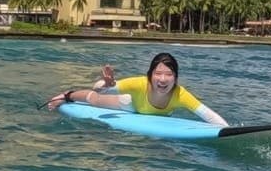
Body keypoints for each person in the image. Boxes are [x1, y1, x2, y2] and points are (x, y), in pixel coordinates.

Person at [44, 52, 230, 126]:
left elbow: (208, 115)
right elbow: (100, 89)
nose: (163, 79)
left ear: (176, 77)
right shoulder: (139, 84)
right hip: (131, 106)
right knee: (96, 100)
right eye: (158, 74)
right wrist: (107, 85)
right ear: (150, 76)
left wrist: (227, 131)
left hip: (157, 117)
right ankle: (66, 95)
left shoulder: (180, 94)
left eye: (169, 74)